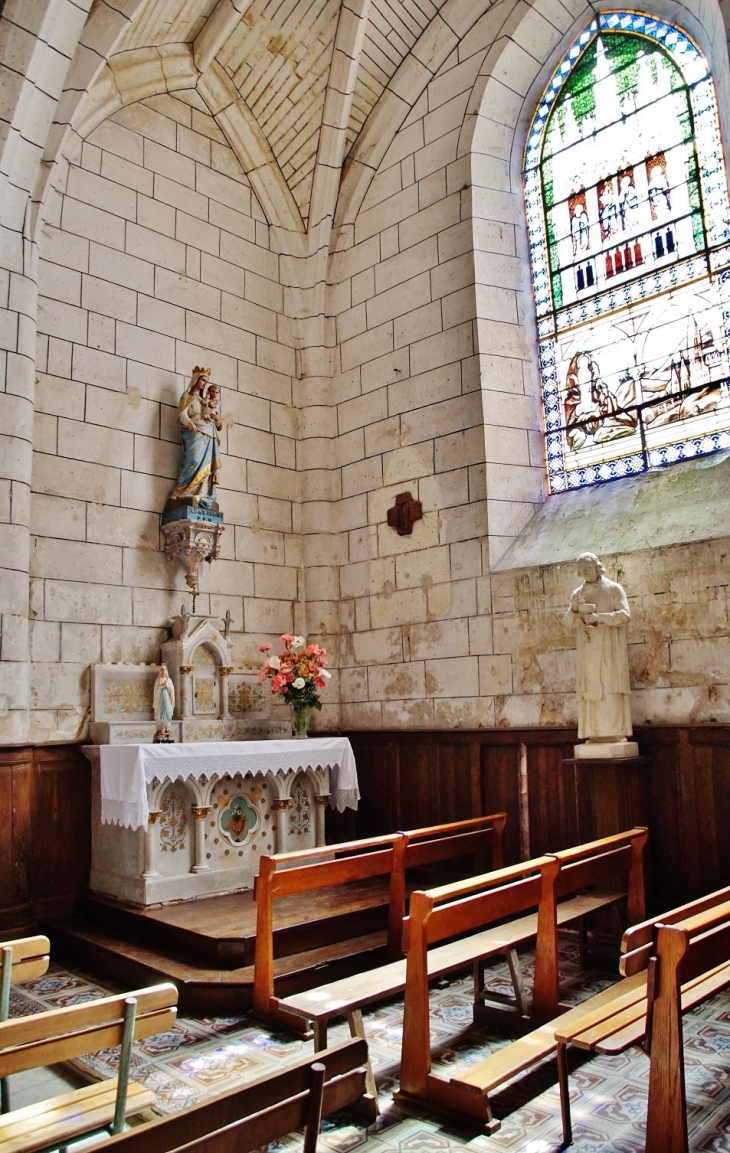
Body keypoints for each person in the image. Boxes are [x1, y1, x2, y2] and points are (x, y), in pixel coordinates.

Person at [563, 553, 633, 743]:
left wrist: (599, 618)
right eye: (581, 570)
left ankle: (614, 732)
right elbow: (568, 623)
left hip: (609, 649)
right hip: (588, 649)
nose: (585, 573)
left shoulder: (613, 589)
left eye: (588, 568)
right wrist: (574, 609)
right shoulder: (578, 594)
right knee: (592, 692)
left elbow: (625, 615)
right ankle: (593, 733)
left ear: (596, 567)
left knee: (610, 689)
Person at [169, 367, 223, 507]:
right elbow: (182, 414)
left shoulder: (205, 400)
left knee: (207, 465)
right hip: (194, 434)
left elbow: (217, 421)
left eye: (206, 381)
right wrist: (189, 423)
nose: (204, 383)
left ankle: (201, 493)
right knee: (194, 460)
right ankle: (181, 491)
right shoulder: (188, 397)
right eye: (203, 380)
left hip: (209, 434)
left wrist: (217, 419)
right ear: (196, 380)